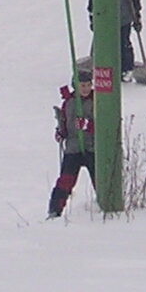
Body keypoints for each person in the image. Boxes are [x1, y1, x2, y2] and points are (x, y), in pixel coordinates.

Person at [47, 57, 97, 218]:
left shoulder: (97, 101)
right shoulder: (69, 102)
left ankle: (106, 207)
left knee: (99, 180)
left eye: (89, 85)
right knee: (65, 181)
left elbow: (104, 125)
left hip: (92, 147)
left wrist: (88, 125)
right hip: (73, 148)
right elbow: (65, 123)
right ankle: (55, 210)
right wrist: (61, 133)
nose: (86, 88)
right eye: (83, 85)